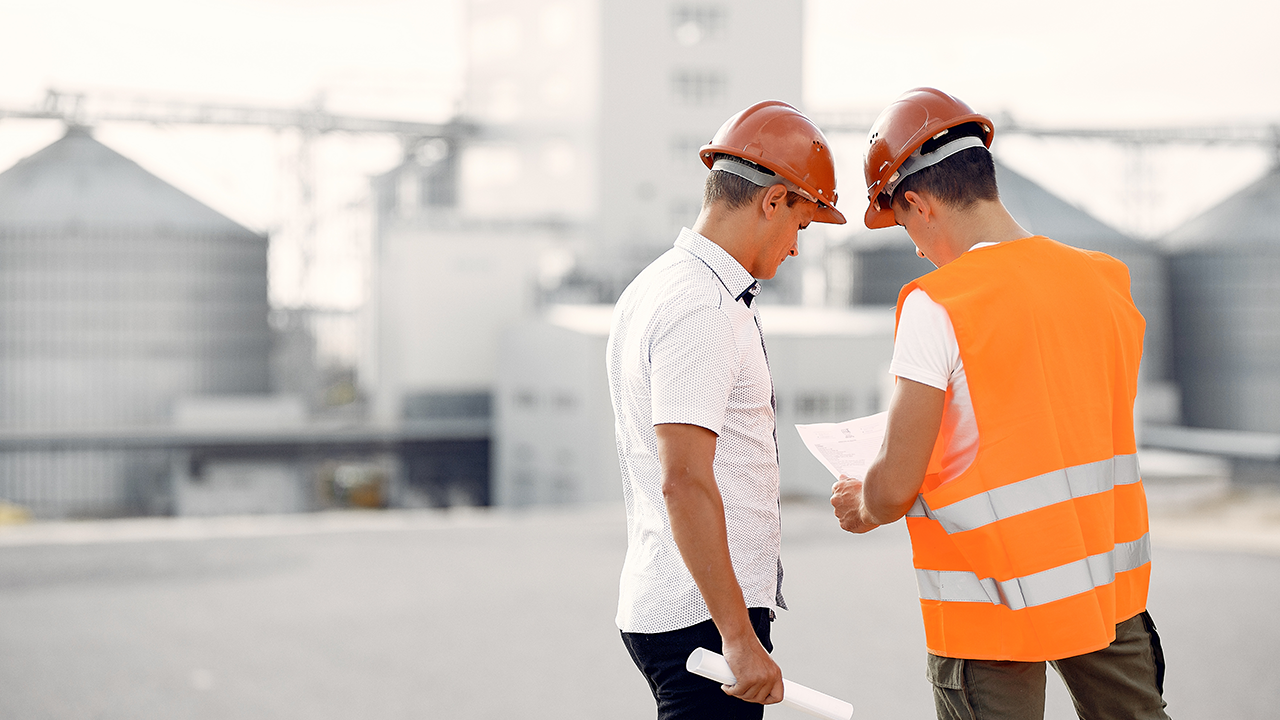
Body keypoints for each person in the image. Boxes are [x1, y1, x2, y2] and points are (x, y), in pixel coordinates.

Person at [830, 87, 1170, 720]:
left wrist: (865, 502)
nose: (914, 246)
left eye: (904, 226)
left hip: (987, 604)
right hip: (1106, 587)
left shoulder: (940, 305)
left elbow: (896, 486)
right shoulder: (1105, 282)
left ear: (917, 202)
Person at [607, 100, 846, 718]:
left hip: (688, 604)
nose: (797, 248)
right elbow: (684, 480)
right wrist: (738, 638)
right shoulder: (701, 308)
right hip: (703, 621)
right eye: (803, 225)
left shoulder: (661, 285)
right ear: (774, 201)